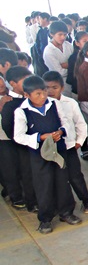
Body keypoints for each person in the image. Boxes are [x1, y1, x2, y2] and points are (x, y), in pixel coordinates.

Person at [14, 75, 82, 234]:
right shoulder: (22, 111)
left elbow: (66, 122)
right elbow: (19, 136)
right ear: (27, 95)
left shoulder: (54, 104)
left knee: (62, 181)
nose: (43, 96)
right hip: (40, 154)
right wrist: (40, 137)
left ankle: (66, 212)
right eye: (38, 94)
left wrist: (61, 131)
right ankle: (45, 219)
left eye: (44, 91)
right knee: (44, 185)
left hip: (59, 150)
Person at [42, 71, 88, 214]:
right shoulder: (42, 105)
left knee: (75, 176)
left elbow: (80, 123)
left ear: (62, 87)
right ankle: (62, 206)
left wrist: (79, 141)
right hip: (52, 148)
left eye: (54, 87)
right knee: (57, 178)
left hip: (70, 146)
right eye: (47, 88)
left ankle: (86, 200)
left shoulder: (70, 103)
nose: (50, 91)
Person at [1, 66, 37, 212]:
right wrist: (21, 139)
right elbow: (7, 125)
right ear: (13, 84)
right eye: (25, 81)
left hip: (32, 142)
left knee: (32, 171)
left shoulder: (30, 98)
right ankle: (23, 199)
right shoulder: (9, 103)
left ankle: (36, 198)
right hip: (14, 142)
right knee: (16, 170)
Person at [42, 21, 74, 96]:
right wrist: (72, 67)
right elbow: (59, 72)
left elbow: (77, 61)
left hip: (73, 82)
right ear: (51, 34)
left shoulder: (68, 45)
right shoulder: (49, 51)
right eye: (60, 34)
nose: (63, 37)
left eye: (65, 35)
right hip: (60, 83)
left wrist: (68, 65)